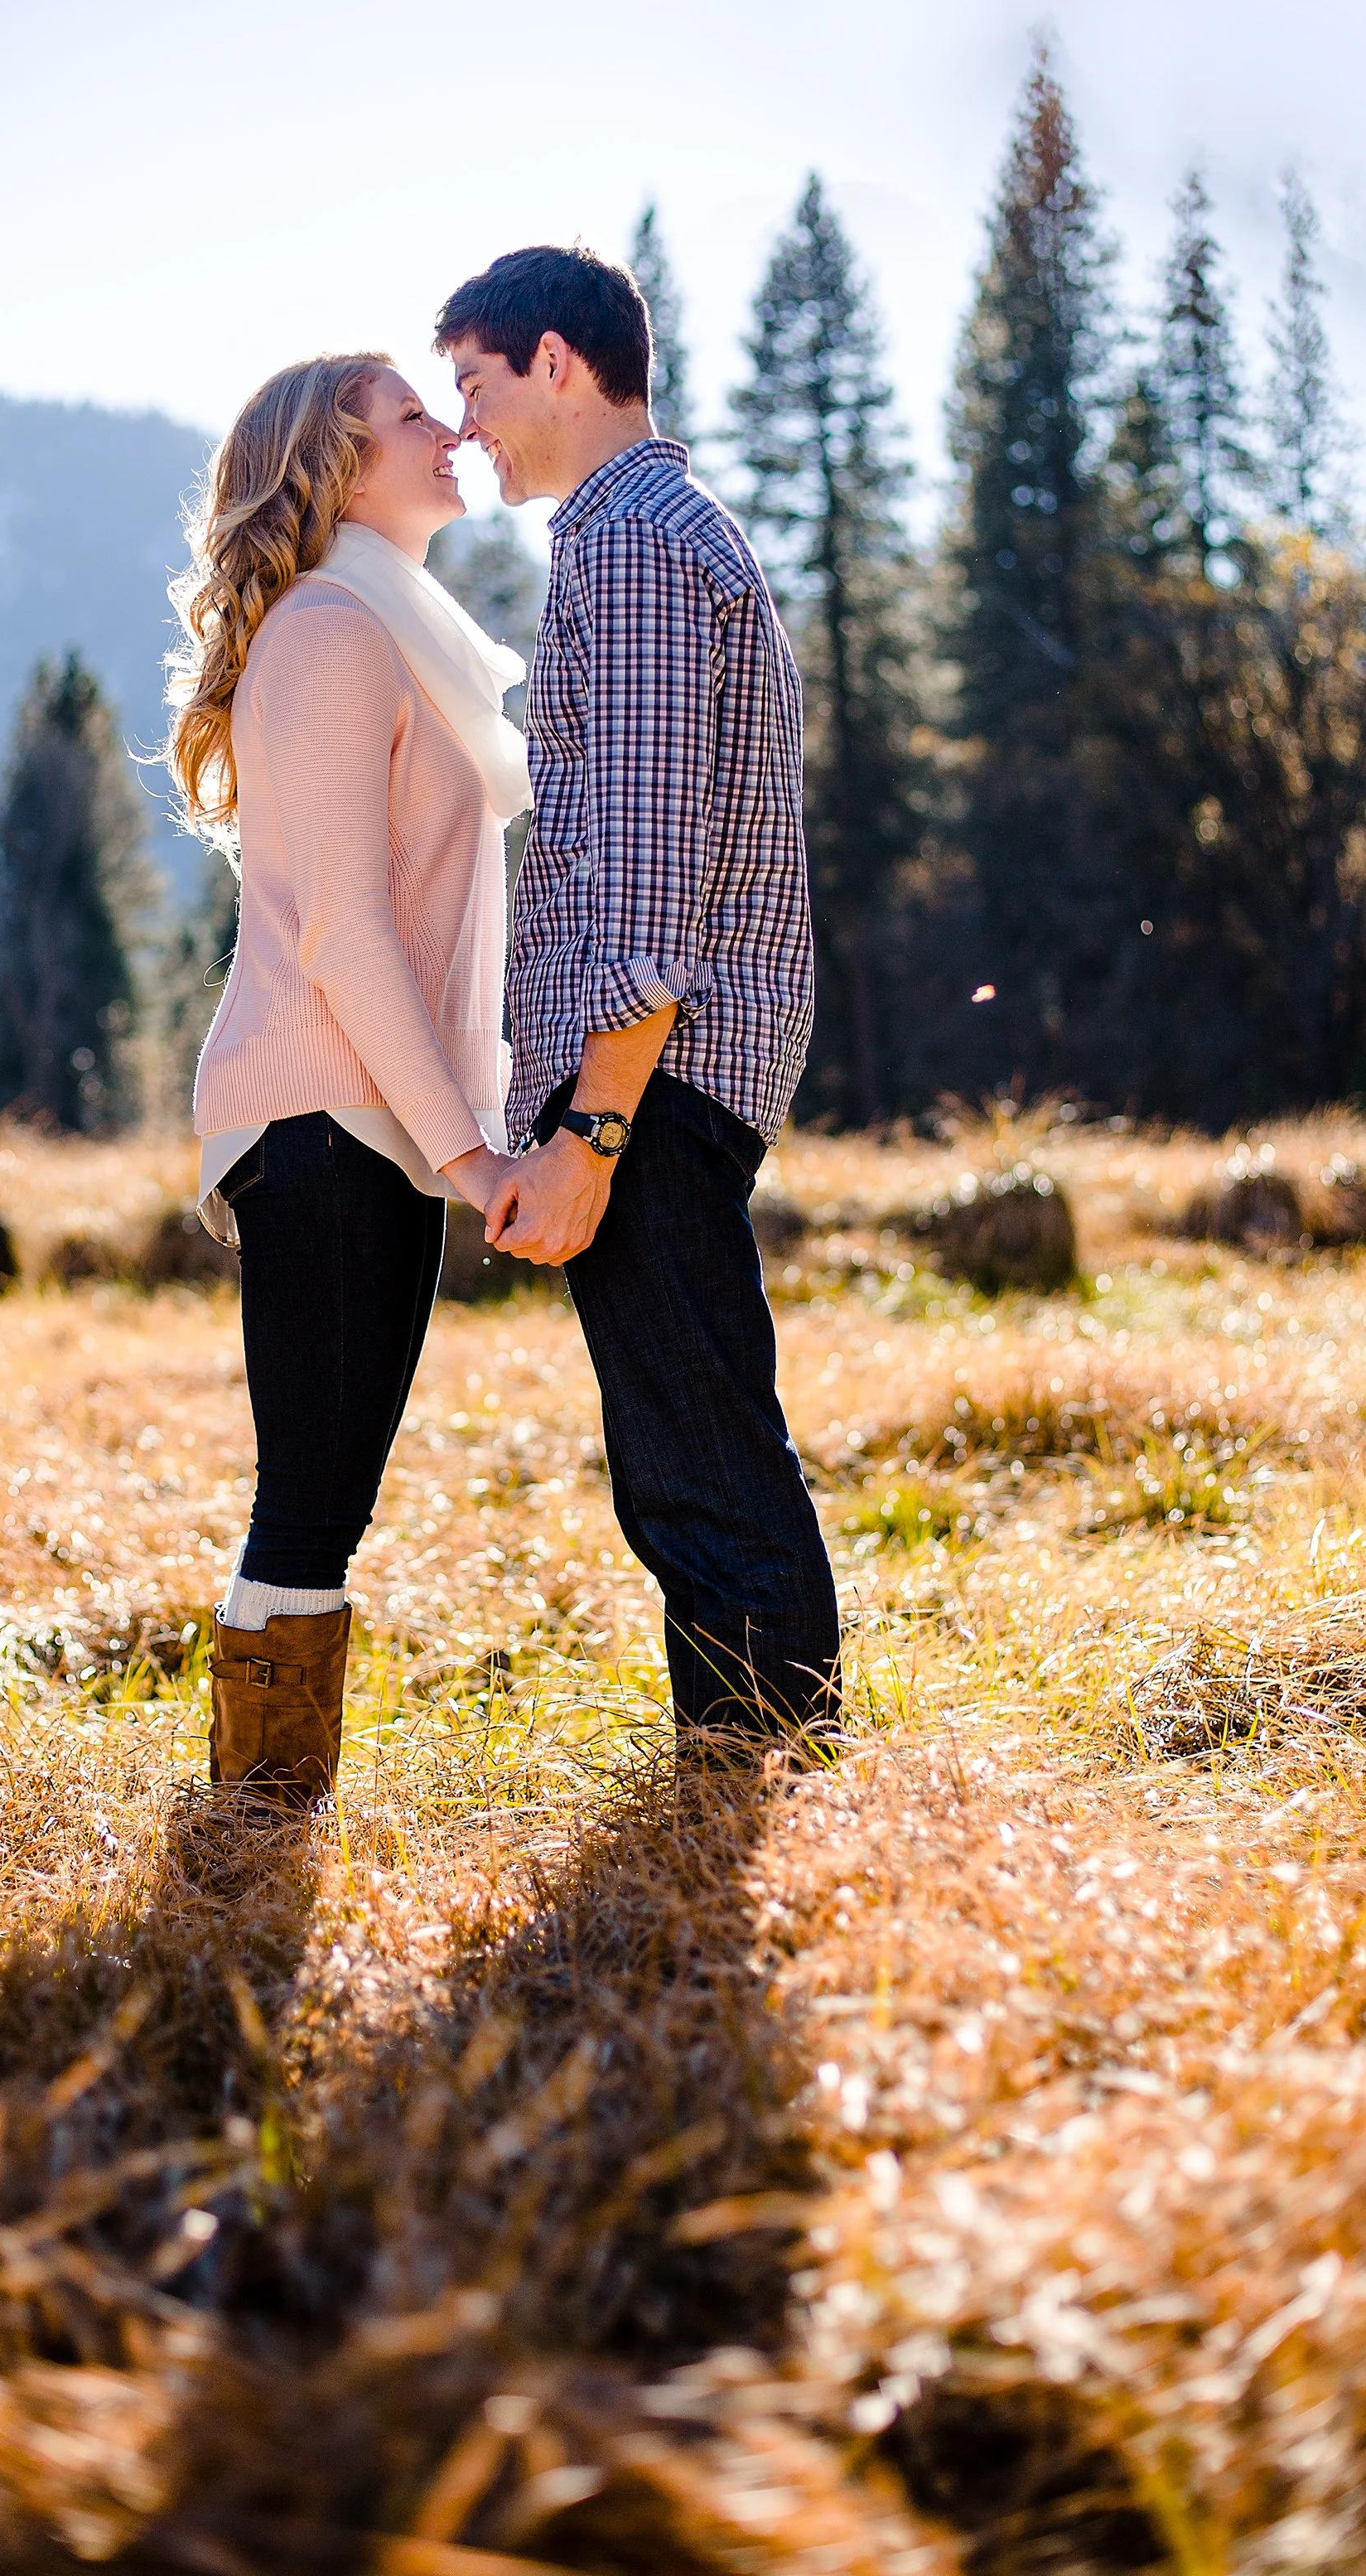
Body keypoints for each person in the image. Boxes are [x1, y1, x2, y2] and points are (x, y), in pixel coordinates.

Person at [434, 245, 842, 1757]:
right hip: (656, 1072)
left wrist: (593, 1128)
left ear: (555, 360)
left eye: (474, 385)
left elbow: (650, 863)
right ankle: (754, 1763)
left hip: (652, 1078)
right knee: (691, 1425)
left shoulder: (639, 542)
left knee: (697, 1446)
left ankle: (764, 1775)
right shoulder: (640, 533)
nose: (464, 426)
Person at [165, 354, 527, 1805]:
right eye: (412, 416)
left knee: (330, 1494)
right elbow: (346, 929)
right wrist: (467, 1152)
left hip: (369, 1120)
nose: (450, 433)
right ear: (332, 465)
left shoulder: (402, 629)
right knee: (311, 1496)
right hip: (324, 1117)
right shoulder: (329, 631)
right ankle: (254, 1827)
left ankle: (264, 1816)